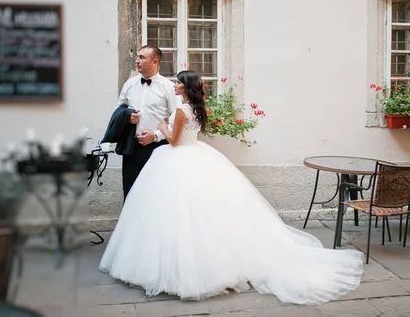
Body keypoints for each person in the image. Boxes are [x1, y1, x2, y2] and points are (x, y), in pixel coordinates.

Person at [99, 70, 364, 305]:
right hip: (197, 155)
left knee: (178, 213)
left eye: (178, 83)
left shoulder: (181, 110)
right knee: (203, 214)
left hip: (177, 158)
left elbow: (175, 141)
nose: (175, 86)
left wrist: (160, 126)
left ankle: (182, 268)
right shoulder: (196, 108)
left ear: (185, 87)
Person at [116, 45, 181, 200]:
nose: (137, 61)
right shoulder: (129, 84)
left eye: (142, 57)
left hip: (159, 148)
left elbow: (178, 120)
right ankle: (131, 224)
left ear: (155, 62)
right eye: (137, 57)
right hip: (132, 147)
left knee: (156, 193)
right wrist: (128, 116)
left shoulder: (169, 87)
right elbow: (119, 109)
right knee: (131, 190)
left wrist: (156, 136)